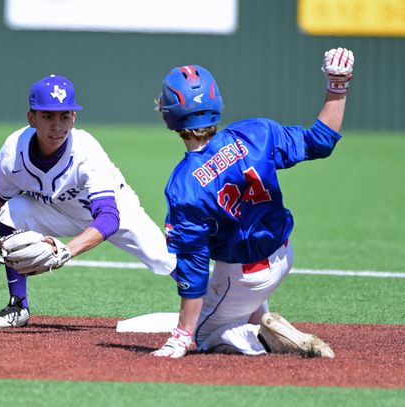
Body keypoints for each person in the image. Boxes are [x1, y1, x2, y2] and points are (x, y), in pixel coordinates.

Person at [152, 47, 354, 358]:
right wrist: (337, 85)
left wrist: (183, 335)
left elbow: (193, 271)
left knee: (207, 335)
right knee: (235, 303)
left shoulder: (184, 185)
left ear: (169, 114)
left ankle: (265, 336)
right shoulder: (257, 132)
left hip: (244, 274)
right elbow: (320, 141)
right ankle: (258, 317)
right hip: (283, 253)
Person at [0, 74, 176, 329]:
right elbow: (2, 196)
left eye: (64, 116)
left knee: (165, 259)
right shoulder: (11, 152)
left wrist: (66, 250)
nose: (57, 125)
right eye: (48, 116)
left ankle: (215, 304)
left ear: (74, 117)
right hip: (58, 211)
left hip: (116, 210)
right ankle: (18, 306)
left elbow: (109, 218)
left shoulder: (86, 151)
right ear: (32, 118)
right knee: (13, 210)